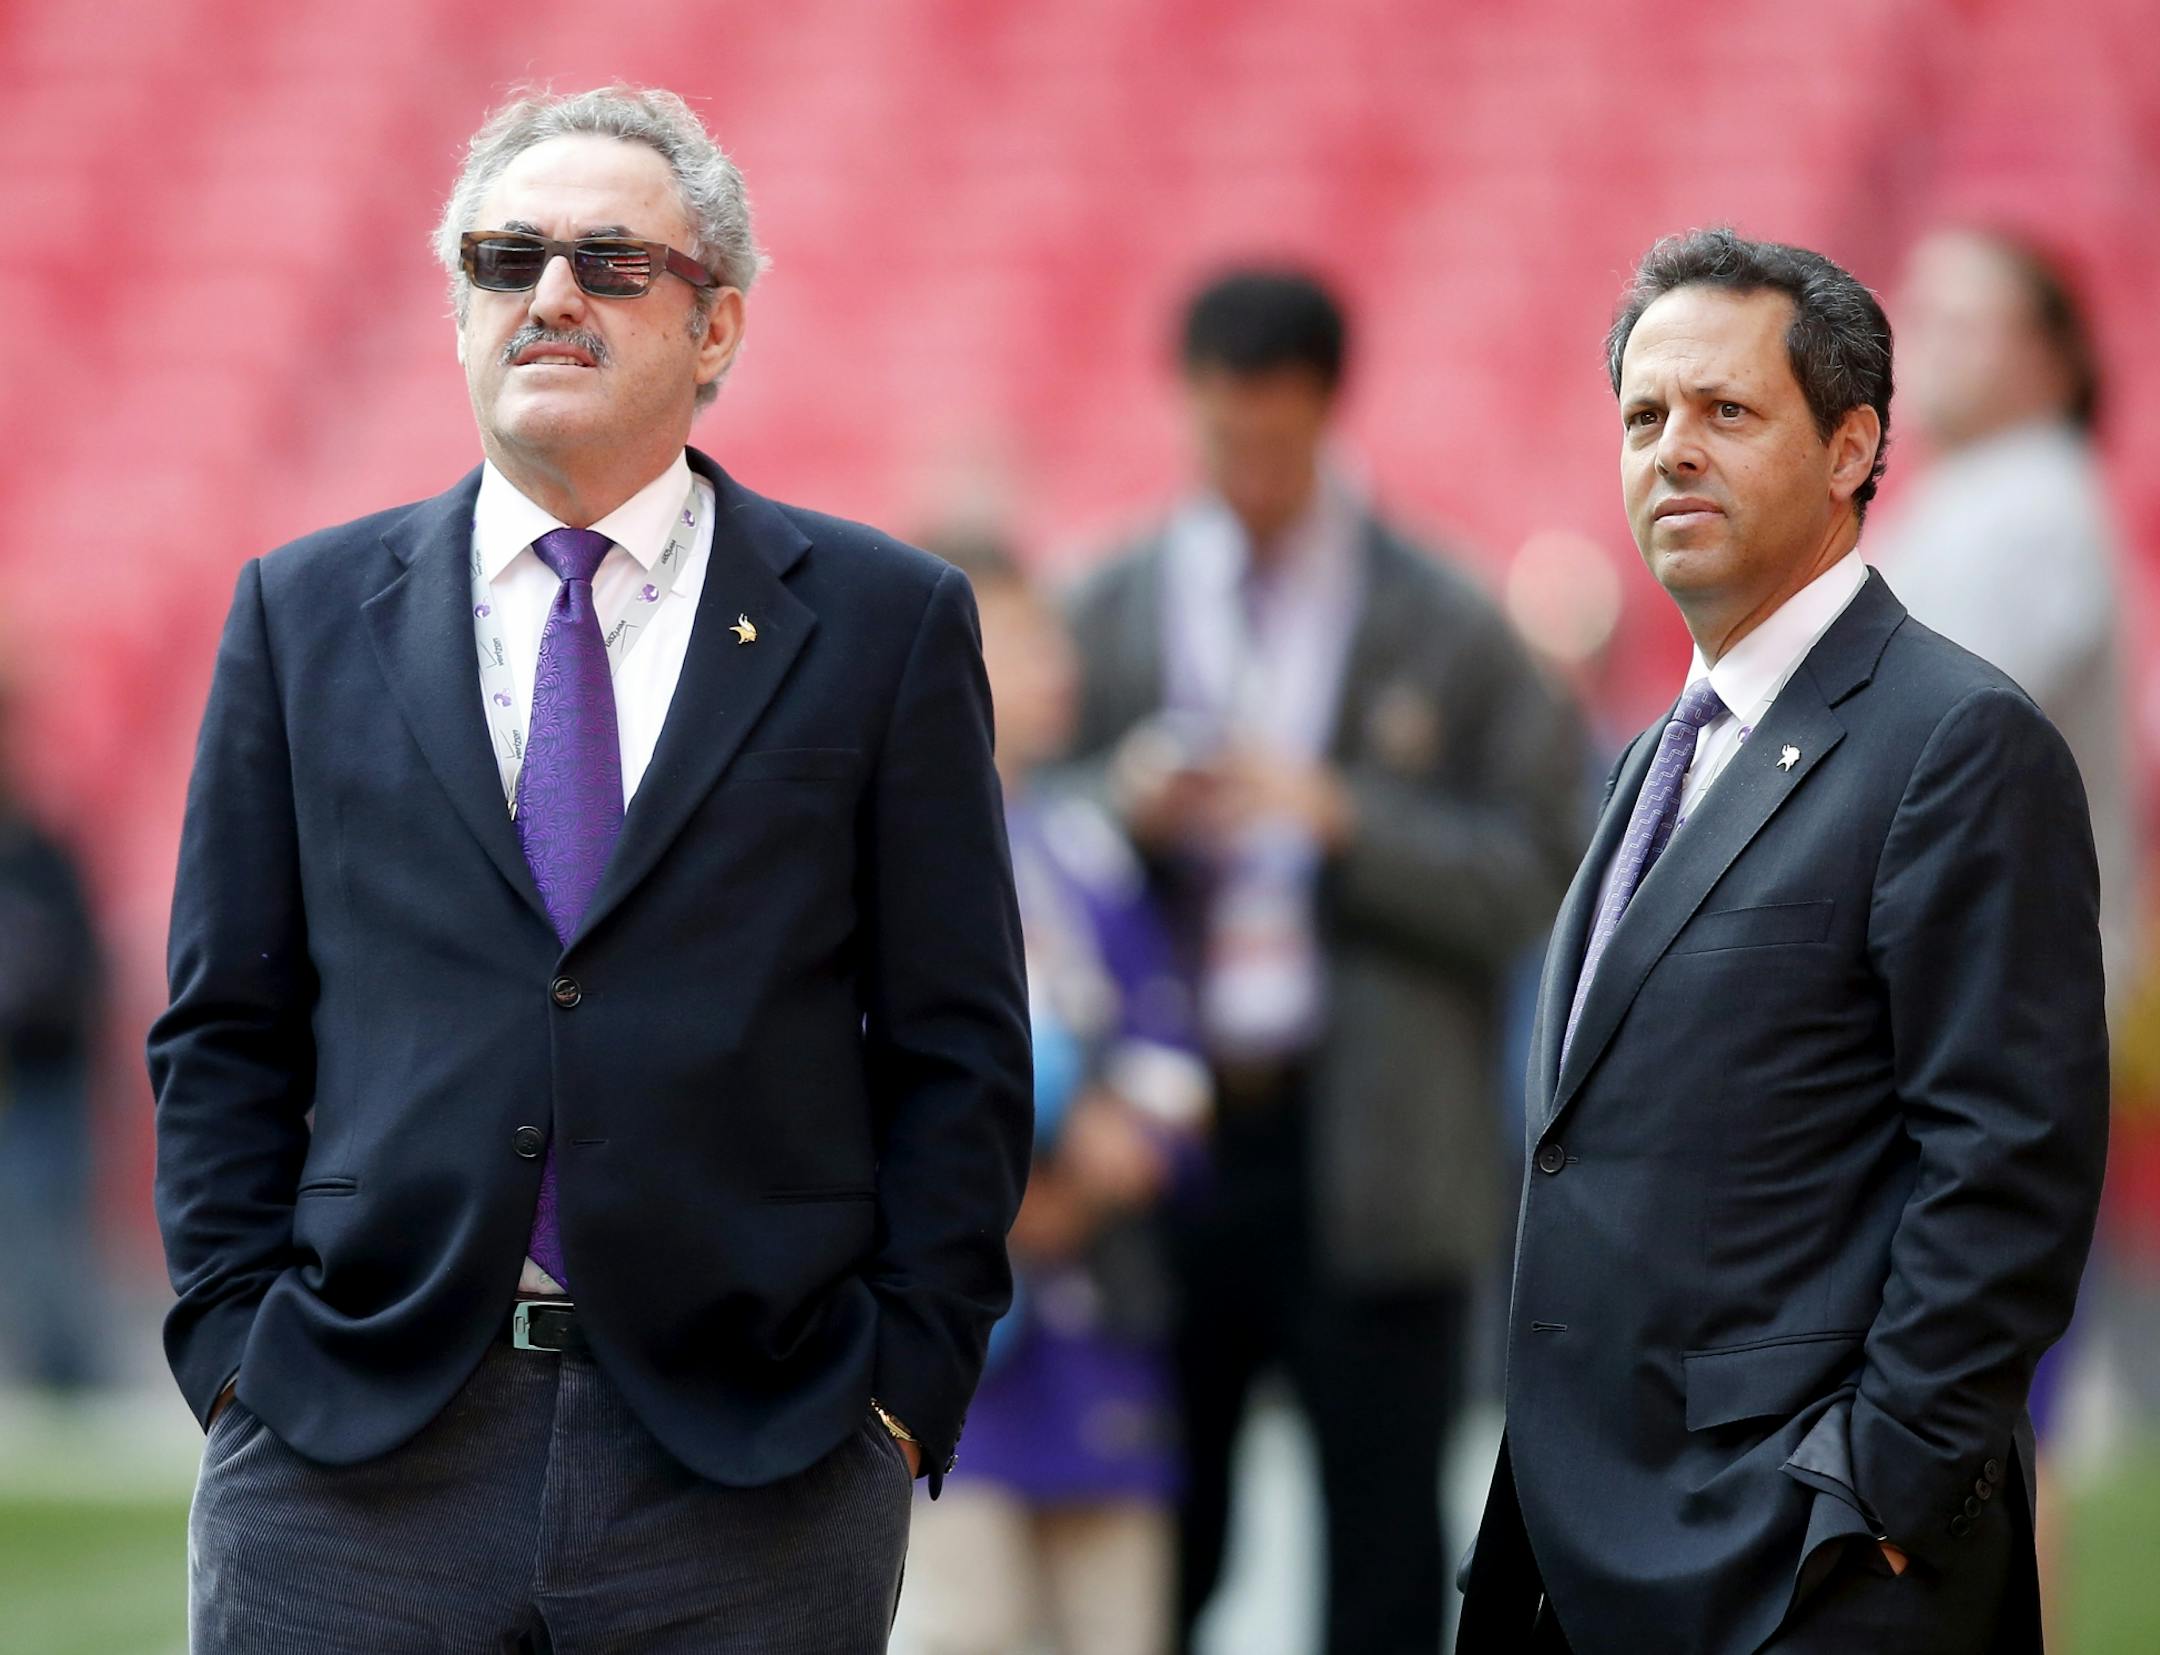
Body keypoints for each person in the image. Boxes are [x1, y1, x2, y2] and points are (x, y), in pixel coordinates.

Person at [149, 85, 1031, 1654]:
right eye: (506, 259)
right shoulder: (300, 612)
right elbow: (225, 1025)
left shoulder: (886, 623)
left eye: (613, 262)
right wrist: (234, 1348)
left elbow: (957, 1044)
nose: (550, 294)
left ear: (716, 324)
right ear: (460, 312)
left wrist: (902, 1385)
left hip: (754, 1457)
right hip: (352, 1443)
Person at [1458, 228, 2110, 1655]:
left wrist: (1877, 1495)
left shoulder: (1957, 739)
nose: (1673, 449)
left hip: (1806, 1571)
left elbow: (2011, 1164)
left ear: (1851, 446)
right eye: (1644, 416)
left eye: (1727, 410)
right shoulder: (1656, 758)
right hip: (1595, 1554)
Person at [1065, 270, 1585, 1655]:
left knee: (1385, 1554)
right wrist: (1124, 805)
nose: (1246, 468)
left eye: (1275, 439)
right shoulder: (1109, 600)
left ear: (1326, 411)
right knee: (1158, 1547)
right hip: (1164, 1140)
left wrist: (1348, 818)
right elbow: (1016, 826)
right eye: (1222, 435)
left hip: (1375, 1143)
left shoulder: (1450, 617)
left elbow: (1546, 868)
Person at [891, 534, 1209, 1655]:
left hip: (1100, 1329)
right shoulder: (873, 844)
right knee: (962, 1628)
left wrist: (1129, 1147)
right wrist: (996, 1198)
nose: (1057, 668)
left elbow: (1178, 1061)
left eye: (1052, 639)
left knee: (1120, 1624)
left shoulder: (1086, 849)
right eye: (1021, 641)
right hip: (940, 1348)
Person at [1873, 225, 2141, 1016]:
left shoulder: (2031, 501)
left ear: (2053, 361)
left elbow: (1926, 738)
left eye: (1963, 323)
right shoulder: (1975, 491)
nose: (1928, 342)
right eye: (1919, 315)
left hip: (1993, 982)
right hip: (1983, 970)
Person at [0, 683, 106, 1391]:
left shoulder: (42, 857)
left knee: (48, 1244)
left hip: (38, 1083)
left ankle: (68, 1377)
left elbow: (82, 974)